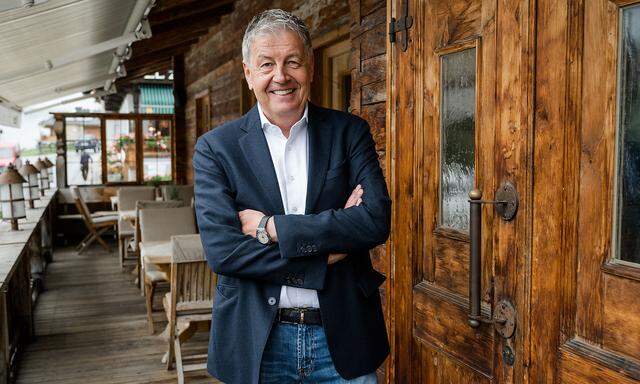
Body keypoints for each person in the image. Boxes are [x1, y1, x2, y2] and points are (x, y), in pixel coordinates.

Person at [193, 9, 391, 384]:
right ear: (248, 73)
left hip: (344, 342)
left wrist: (272, 228)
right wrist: (326, 253)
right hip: (257, 344)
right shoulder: (216, 149)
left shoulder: (349, 133)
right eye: (266, 64)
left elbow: (374, 221)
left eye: (292, 62)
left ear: (311, 68)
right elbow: (224, 251)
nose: (280, 76)